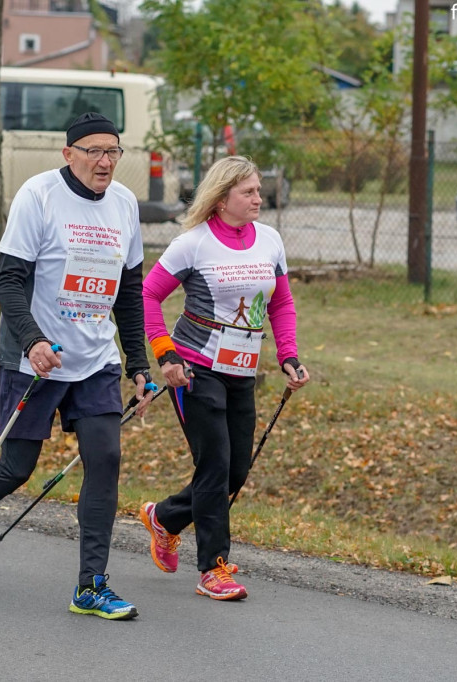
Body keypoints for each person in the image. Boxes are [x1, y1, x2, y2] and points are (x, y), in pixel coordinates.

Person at [0, 112, 154, 620]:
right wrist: (32, 341)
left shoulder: (123, 205)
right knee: (17, 468)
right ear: (68, 153)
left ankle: (91, 586)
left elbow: (130, 292)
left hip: (95, 359)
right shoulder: (38, 195)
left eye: (113, 151)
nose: (104, 161)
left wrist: (137, 364)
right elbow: (8, 280)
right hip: (36, 358)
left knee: (106, 461)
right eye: (93, 150)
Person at [140, 156, 310, 600]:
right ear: (221, 198)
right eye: (249, 192)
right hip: (195, 368)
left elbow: (281, 304)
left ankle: (165, 518)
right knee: (214, 464)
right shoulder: (192, 243)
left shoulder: (269, 240)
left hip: (243, 371)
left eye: (257, 190)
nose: (259, 198)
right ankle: (214, 568)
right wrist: (165, 355)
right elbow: (149, 295)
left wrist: (288, 356)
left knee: (235, 471)